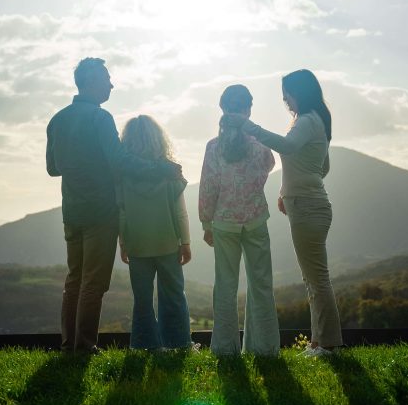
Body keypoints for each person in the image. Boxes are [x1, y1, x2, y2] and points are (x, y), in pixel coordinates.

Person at [46, 58, 180, 355]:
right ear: (92, 81)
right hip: (100, 211)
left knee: (74, 278)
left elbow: (53, 168)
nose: (111, 84)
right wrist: (160, 169)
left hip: (72, 210)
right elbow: (120, 161)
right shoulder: (100, 118)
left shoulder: (57, 119)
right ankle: (85, 345)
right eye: (107, 78)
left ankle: (68, 344)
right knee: (94, 281)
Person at [235, 69, 342, 356]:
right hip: (310, 203)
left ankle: (328, 344)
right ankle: (320, 342)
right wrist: (287, 191)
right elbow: (324, 167)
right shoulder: (316, 121)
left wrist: (251, 128)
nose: (286, 101)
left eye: (287, 96)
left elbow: (288, 145)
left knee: (317, 278)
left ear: (300, 93)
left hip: (307, 206)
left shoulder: (306, 121)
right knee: (314, 278)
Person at [199, 84, 280, 356]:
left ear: (222, 109)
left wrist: (205, 223)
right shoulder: (258, 147)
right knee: (261, 285)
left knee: (225, 285)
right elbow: (270, 165)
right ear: (248, 110)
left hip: (223, 222)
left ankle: (224, 349)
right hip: (255, 219)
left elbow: (208, 188)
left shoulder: (213, 148)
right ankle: (264, 348)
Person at [118, 115, 194, 351]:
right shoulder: (170, 172)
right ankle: (179, 344)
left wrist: (123, 243)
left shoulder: (122, 175)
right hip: (168, 242)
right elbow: (180, 212)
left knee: (142, 299)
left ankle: (143, 345)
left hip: (137, 244)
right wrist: (186, 242)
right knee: (173, 295)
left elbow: (121, 212)